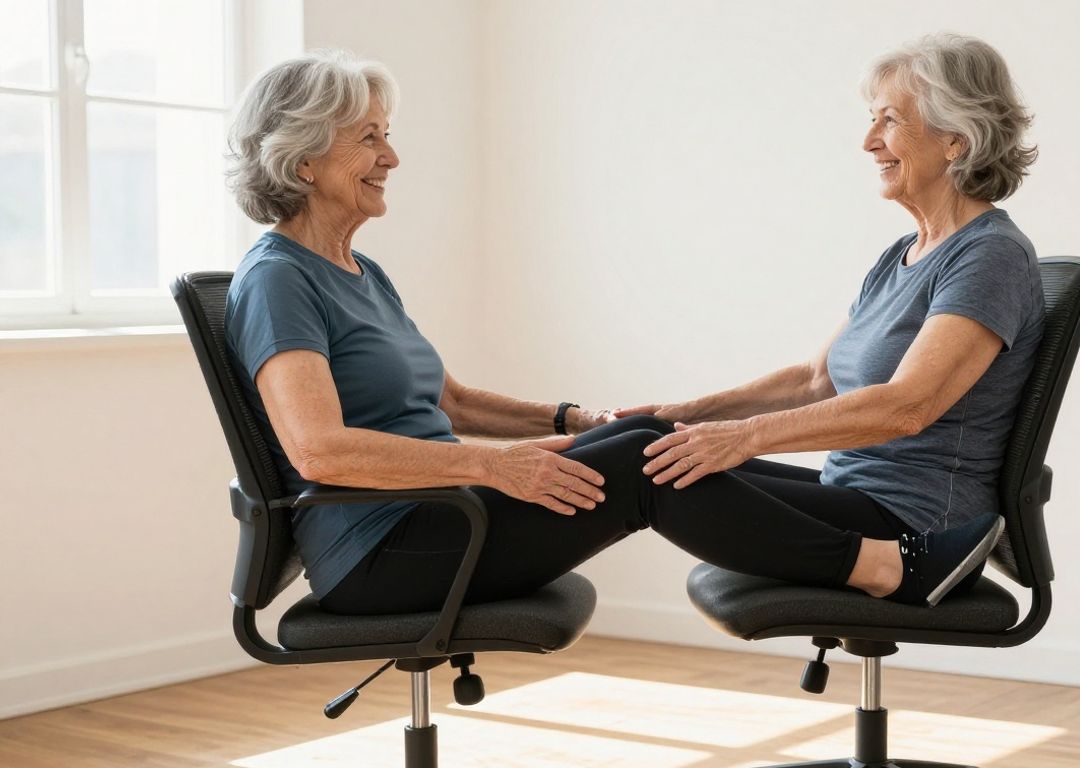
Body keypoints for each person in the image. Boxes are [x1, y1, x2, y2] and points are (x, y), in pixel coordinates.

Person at [222, 33, 1038, 618]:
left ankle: (887, 560)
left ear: (955, 137)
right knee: (653, 460)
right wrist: (498, 467)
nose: (392, 157)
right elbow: (318, 451)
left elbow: (453, 401)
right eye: (370, 139)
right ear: (304, 158)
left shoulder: (358, 274)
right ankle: (882, 567)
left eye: (888, 120)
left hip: (443, 515)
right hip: (388, 549)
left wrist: (589, 422)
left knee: (651, 447)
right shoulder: (279, 279)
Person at [614, 32, 1044, 606]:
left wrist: (744, 438)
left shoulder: (990, 255)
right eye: (872, 120)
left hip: (915, 527)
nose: (869, 142)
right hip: (853, 494)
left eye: (890, 120)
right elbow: (814, 380)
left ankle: (496, 588)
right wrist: (683, 415)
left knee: (642, 471)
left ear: (956, 141)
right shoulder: (903, 254)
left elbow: (907, 407)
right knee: (647, 441)